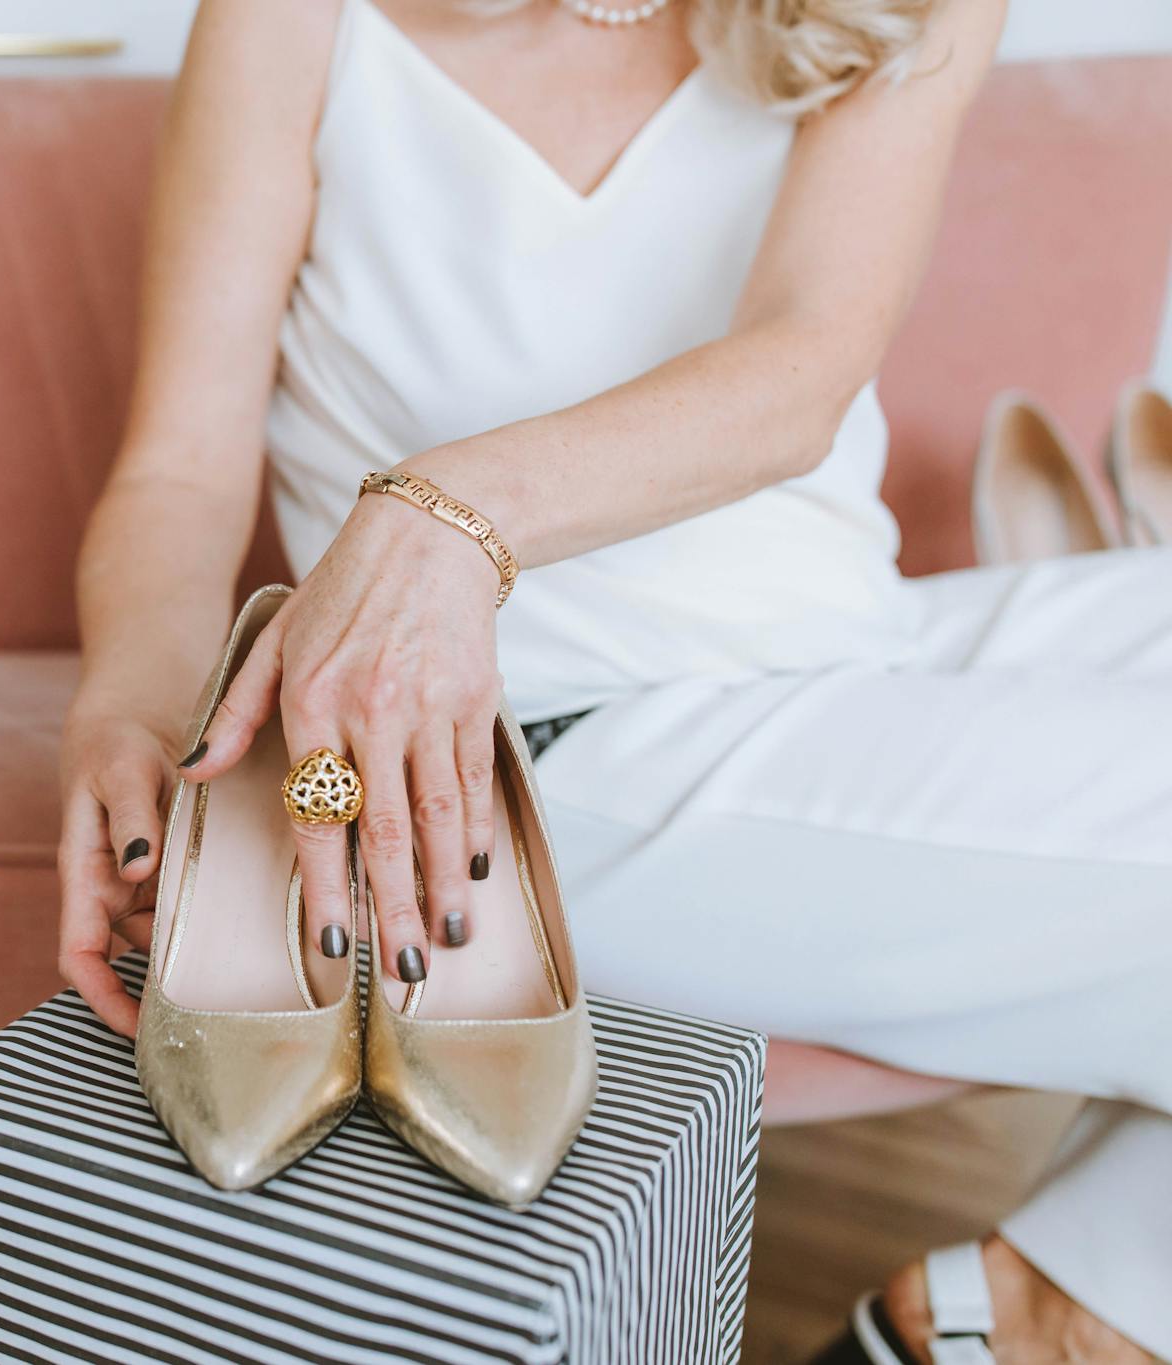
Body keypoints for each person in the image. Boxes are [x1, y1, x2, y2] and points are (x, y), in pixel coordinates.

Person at [57, 0, 1172, 1357]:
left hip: (856, 646)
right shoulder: (292, 19)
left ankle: (1043, 1312)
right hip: (526, 763)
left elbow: (799, 372)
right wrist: (123, 709)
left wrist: (444, 511)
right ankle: (1049, 1321)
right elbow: (179, 470)